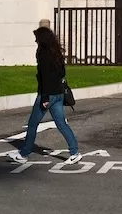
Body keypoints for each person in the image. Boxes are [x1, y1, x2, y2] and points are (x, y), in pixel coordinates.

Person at [10, 20, 80, 166]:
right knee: (61, 123)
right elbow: (62, 73)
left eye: (36, 38)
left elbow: (44, 76)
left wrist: (45, 97)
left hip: (47, 94)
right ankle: (74, 152)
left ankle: (24, 153)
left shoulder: (42, 53)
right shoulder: (57, 53)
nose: (35, 40)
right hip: (59, 94)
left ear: (41, 39)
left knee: (32, 124)